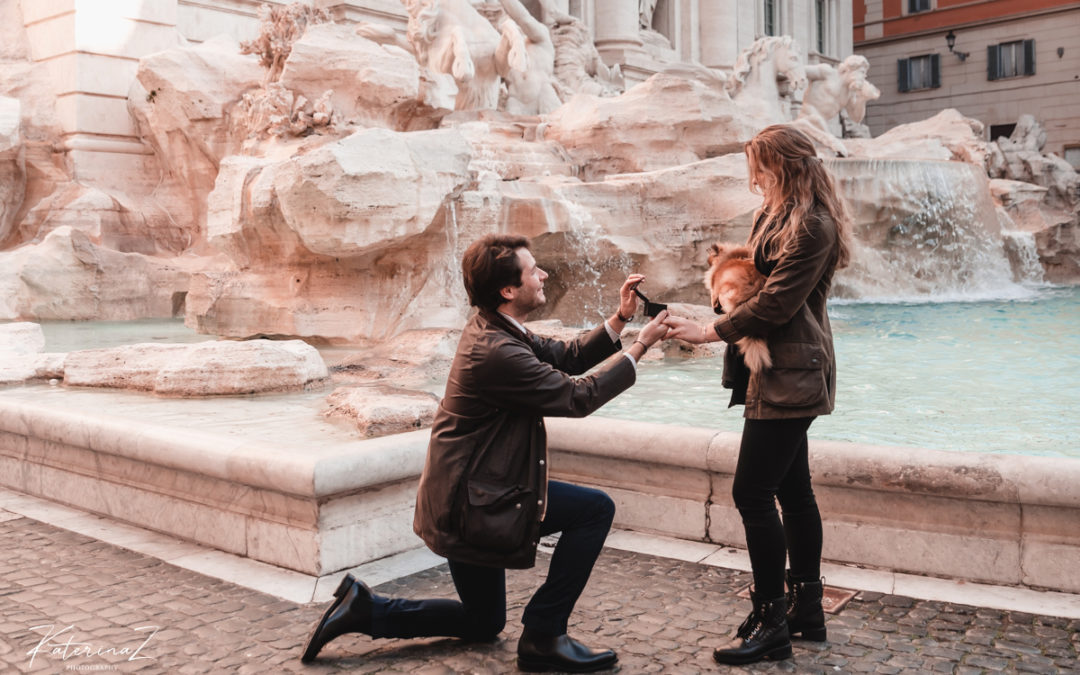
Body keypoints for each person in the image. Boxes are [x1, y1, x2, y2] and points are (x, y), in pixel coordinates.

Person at [302, 234, 671, 672]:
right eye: (534, 270)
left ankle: (367, 610)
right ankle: (544, 635)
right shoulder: (495, 350)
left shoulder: (498, 329)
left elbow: (566, 356)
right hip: (474, 505)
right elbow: (577, 397)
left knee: (483, 621)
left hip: (476, 494)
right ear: (508, 290)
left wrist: (620, 319)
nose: (544, 274)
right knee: (593, 511)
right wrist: (640, 347)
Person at [663, 124, 852, 666]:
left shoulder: (814, 225)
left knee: (751, 492)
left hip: (794, 369)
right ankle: (806, 613)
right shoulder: (774, 215)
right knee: (793, 493)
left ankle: (772, 620)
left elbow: (778, 305)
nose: (755, 178)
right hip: (772, 369)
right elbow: (757, 282)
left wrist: (707, 330)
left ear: (788, 166)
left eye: (762, 167)